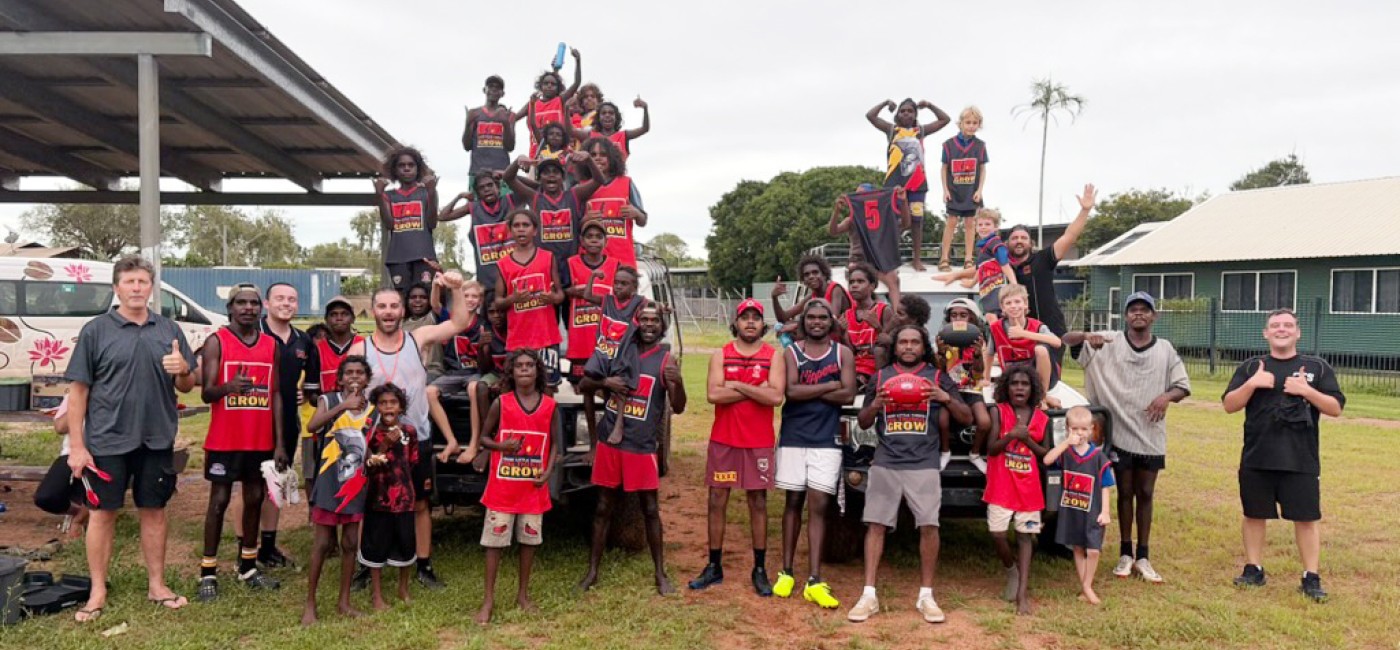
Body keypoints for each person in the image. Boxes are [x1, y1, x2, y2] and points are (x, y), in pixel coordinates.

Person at [65, 256, 197, 622]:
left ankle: (157, 585)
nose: (137, 288)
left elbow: (188, 384)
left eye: (143, 281)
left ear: (151, 288)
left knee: (154, 511)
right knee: (102, 514)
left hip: (156, 439)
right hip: (107, 440)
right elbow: (78, 393)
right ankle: (97, 590)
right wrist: (77, 446)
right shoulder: (96, 331)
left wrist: (183, 369)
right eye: (129, 282)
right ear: (116, 288)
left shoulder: (168, 329)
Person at [347, 273, 475, 591]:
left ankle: (424, 565)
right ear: (372, 311)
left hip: (415, 437)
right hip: (376, 441)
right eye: (382, 306)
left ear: (403, 310)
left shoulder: (418, 339)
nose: (388, 311)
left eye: (394, 306)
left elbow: (459, 323)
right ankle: (365, 565)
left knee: (420, 503)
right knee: (369, 503)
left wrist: (457, 289)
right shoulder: (360, 348)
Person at [1063, 291, 1190, 583]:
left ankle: (1143, 555)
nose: (1138, 314)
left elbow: (1182, 386)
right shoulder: (1108, 341)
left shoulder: (1165, 349)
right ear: (1126, 315)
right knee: (1124, 492)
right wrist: (1086, 336)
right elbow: (1066, 339)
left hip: (1149, 431)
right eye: (1133, 309)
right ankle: (1125, 552)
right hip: (1117, 431)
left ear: (1153, 316)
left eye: (1145, 310)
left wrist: (1165, 396)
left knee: (1146, 493)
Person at [847, 325, 969, 624]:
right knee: (875, 525)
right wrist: (875, 404)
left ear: (922, 345)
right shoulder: (881, 376)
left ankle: (926, 595)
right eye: (903, 342)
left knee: (929, 526)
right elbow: (862, 423)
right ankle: (868, 594)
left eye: (915, 342)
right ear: (896, 346)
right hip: (886, 461)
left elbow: (965, 417)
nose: (909, 347)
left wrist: (944, 397)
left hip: (924, 463)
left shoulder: (937, 377)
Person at [1222, 309, 1345, 602]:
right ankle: (1254, 568)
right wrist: (1252, 384)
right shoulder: (1251, 367)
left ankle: (1310, 576)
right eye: (1275, 325)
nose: (1281, 329)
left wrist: (1306, 391)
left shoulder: (1316, 367)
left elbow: (1335, 408)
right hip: (1257, 455)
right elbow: (1229, 405)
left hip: (1300, 458)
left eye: (1288, 325)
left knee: (1306, 518)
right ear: (1266, 333)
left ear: (1297, 333)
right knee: (1254, 514)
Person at [578, 304, 686, 595]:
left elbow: (678, 406)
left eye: (655, 320)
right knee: (602, 507)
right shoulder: (618, 350)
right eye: (645, 319)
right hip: (611, 443)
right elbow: (584, 384)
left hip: (641, 445)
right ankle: (592, 571)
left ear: (661, 326)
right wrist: (605, 381)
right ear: (637, 323)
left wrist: (677, 383)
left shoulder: (665, 359)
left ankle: (660, 574)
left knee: (650, 509)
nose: (650, 324)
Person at [690, 298, 787, 595]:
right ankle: (714, 566)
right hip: (724, 439)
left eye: (756, 317)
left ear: (762, 324)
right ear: (735, 322)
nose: (750, 322)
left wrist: (737, 386)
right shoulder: (721, 354)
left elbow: (776, 398)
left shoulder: (774, 356)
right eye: (744, 317)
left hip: (758, 442)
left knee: (757, 501)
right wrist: (757, 391)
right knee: (717, 499)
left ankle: (759, 569)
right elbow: (713, 395)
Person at [195, 284, 284, 602]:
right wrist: (229, 386)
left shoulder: (271, 345)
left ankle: (248, 565)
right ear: (230, 307)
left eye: (253, 303)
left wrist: (280, 443)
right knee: (218, 502)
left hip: (259, 440)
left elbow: (274, 394)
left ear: (261, 308)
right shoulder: (216, 341)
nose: (248, 307)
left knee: (256, 498)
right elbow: (206, 393)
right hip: (225, 439)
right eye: (241, 302)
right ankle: (208, 572)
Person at [772, 299, 856, 609]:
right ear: (803, 321)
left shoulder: (842, 352)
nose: (817, 322)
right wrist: (829, 384)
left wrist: (816, 389)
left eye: (823, 318)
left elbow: (848, 394)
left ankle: (814, 579)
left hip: (826, 438)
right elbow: (790, 392)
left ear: (831, 321)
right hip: (794, 436)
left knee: (819, 505)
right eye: (811, 318)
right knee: (793, 501)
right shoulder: (791, 351)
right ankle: (787, 571)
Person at [475, 349, 562, 625]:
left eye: (529, 365)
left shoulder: (550, 405)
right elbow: (484, 439)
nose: (524, 370)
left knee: (529, 541)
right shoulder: (502, 403)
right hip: (502, 490)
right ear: (511, 372)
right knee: (494, 544)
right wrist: (501, 446)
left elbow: (556, 444)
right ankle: (488, 600)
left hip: (532, 489)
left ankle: (522, 595)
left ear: (538, 371)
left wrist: (547, 473)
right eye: (519, 366)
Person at [301, 356, 373, 625]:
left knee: (350, 543)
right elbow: (312, 426)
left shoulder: (373, 410)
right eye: (349, 373)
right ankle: (310, 603)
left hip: (354, 484)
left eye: (360, 373)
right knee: (322, 543)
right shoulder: (329, 400)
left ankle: (344, 601)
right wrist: (344, 405)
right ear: (340, 379)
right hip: (328, 482)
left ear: (367, 379)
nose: (354, 377)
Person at [255, 282, 318, 569]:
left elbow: (314, 387)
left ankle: (267, 547)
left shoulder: (304, 342)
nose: (286, 303)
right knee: (248, 484)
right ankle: (245, 548)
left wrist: (306, 393)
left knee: (274, 481)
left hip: (287, 423)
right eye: (279, 298)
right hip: (252, 418)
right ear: (266, 304)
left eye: (291, 299)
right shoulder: (252, 333)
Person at [1007, 184, 1097, 371]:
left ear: (1030, 243)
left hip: (1050, 329)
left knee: (1049, 379)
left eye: (1023, 238)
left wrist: (1085, 210)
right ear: (1007, 243)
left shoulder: (1043, 259)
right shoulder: (1003, 268)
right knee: (1020, 379)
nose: (1019, 241)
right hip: (1018, 330)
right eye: (1014, 238)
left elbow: (1069, 236)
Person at [984, 366, 1051, 616]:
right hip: (1001, 486)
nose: (1019, 387)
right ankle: (1011, 569)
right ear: (1006, 388)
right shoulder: (998, 412)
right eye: (1014, 384)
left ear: (1032, 388)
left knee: (1026, 536)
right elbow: (990, 449)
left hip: (1029, 490)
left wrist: (1027, 440)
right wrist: (1011, 435)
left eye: (1025, 384)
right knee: (998, 534)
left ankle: (1022, 593)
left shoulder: (1042, 418)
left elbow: (1045, 455)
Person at [1041, 406, 1115, 605]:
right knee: (1077, 548)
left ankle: (1087, 585)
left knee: (1093, 550)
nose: (1079, 434)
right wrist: (1066, 443)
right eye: (1074, 429)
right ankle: (1085, 588)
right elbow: (1047, 460)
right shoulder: (1066, 454)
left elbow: (1106, 486)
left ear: (1091, 429)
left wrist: (1106, 511)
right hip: (1072, 509)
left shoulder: (1099, 457)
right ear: (1067, 429)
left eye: (1083, 429)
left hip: (1093, 510)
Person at [867, 98, 951, 271]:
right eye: (903, 111)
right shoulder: (891, 130)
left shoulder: (920, 131)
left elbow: (945, 120)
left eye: (910, 111)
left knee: (916, 221)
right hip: (894, 183)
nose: (906, 114)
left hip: (917, 183)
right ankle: (891, 257)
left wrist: (929, 105)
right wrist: (884, 103)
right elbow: (870, 116)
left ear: (915, 115)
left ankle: (917, 259)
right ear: (898, 114)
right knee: (894, 221)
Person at [491, 207, 566, 388]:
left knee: (548, 388)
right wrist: (513, 299)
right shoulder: (503, 264)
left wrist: (552, 298)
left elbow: (560, 295)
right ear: (511, 230)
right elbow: (498, 302)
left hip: (546, 337)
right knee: (513, 390)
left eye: (526, 225)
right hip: (518, 339)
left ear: (535, 230)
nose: (521, 229)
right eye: (516, 225)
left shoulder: (547, 257)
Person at [360, 383, 419, 611]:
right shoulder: (371, 435)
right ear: (376, 408)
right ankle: (377, 595)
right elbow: (368, 467)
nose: (388, 407)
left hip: (404, 500)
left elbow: (412, 463)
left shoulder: (410, 432)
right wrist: (384, 445)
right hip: (378, 501)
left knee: (405, 545)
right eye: (383, 403)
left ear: (401, 407)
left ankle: (403, 588)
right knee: (376, 547)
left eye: (392, 403)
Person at [502, 151, 604, 280]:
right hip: (543, 265)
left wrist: (589, 159)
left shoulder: (574, 195)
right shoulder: (534, 197)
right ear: (539, 178)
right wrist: (518, 161)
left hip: (570, 265)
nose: (551, 175)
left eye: (555, 172)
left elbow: (599, 180)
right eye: (546, 172)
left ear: (563, 177)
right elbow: (507, 178)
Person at [428, 280, 488, 465]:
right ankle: (451, 441)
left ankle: (474, 442)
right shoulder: (451, 319)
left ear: (480, 301)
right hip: (453, 372)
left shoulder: (483, 323)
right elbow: (435, 304)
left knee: (473, 388)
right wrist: (436, 285)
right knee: (429, 391)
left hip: (474, 372)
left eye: (474, 296)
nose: (469, 300)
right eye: (466, 295)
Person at [441, 173, 518, 309]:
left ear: (498, 188)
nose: (487, 189)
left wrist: (506, 175)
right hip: (487, 283)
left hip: (513, 278)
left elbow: (532, 190)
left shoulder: (510, 201)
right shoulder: (473, 208)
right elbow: (442, 216)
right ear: (477, 193)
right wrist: (459, 196)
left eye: (490, 185)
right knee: (490, 324)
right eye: (482, 188)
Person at [933, 298, 990, 471]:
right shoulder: (943, 340)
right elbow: (939, 371)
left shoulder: (977, 342)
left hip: (971, 388)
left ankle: (975, 453)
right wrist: (941, 354)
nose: (958, 319)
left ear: (971, 318)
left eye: (963, 315)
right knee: (942, 420)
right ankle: (945, 451)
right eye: (954, 315)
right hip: (949, 389)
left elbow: (979, 373)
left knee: (985, 422)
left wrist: (979, 355)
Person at [828, 185, 908, 308]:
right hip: (858, 260)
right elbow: (833, 231)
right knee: (859, 280)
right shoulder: (852, 220)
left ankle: (897, 315)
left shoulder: (884, 219)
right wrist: (837, 211)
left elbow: (906, 223)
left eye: (863, 195)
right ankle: (854, 312)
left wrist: (902, 201)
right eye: (857, 195)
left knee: (893, 279)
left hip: (878, 260)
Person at [373, 146, 440, 292]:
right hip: (398, 258)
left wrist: (432, 193)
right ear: (394, 170)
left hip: (424, 257)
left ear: (418, 168)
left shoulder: (426, 192)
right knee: (403, 299)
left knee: (424, 297)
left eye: (411, 165)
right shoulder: (389, 196)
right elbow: (390, 224)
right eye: (401, 165)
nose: (406, 168)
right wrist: (379, 195)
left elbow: (432, 223)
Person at [563, 220, 620, 386]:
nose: (594, 240)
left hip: (607, 343)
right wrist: (571, 292)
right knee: (581, 390)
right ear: (582, 241)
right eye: (589, 236)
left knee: (607, 390)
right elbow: (560, 293)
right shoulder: (571, 263)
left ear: (606, 241)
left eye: (599, 236)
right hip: (580, 342)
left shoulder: (615, 265)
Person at [931, 208, 1016, 318]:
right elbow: (981, 269)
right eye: (980, 225)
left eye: (987, 224)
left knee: (993, 318)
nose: (983, 227)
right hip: (986, 291)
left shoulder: (996, 244)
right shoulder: (984, 248)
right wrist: (972, 283)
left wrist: (1014, 286)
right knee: (990, 318)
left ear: (995, 227)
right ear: (976, 228)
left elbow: (1005, 266)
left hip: (997, 291)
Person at [988, 285, 1062, 409]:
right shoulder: (996, 328)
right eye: (1008, 303)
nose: (1013, 306)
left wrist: (1023, 334)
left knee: (1041, 349)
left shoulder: (1037, 326)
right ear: (1002, 307)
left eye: (1017, 301)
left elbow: (1057, 342)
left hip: (1038, 375)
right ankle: (1044, 398)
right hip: (1014, 376)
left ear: (1025, 304)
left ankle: (1041, 397)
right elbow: (989, 353)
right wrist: (985, 378)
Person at [937, 106, 989, 272]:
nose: (971, 126)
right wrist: (945, 189)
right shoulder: (948, 145)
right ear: (961, 123)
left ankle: (968, 258)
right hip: (954, 190)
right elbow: (944, 168)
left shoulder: (980, 146)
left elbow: (983, 169)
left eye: (975, 123)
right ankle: (944, 258)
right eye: (968, 122)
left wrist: (979, 190)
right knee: (951, 222)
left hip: (971, 190)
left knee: (970, 223)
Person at [581, 138, 648, 267]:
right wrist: (584, 219)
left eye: (603, 154)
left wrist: (636, 213)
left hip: (622, 262)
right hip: (591, 263)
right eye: (593, 155)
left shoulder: (626, 183)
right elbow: (573, 226)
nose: (598, 158)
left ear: (612, 158)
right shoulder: (581, 187)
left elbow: (643, 221)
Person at [32, 395, 85, 538]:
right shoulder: (74, 395)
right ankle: (80, 512)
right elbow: (60, 427)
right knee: (45, 497)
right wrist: (82, 402)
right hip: (72, 453)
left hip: (106, 455)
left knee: (95, 491)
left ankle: (80, 520)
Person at [770, 255, 852, 341]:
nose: (811, 276)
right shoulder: (812, 297)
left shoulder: (835, 289)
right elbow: (783, 318)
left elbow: (831, 320)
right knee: (786, 325)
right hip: (829, 336)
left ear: (824, 274)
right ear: (803, 280)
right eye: (807, 274)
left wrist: (794, 326)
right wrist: (774, 298)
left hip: (847, 336)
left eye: (815, 272)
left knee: (798, 330)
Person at [840, 262, 893, 389]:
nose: (854, 285)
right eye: (851, 282)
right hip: (853, 368)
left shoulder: (884, 310)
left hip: (875, 368)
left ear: (872, 286)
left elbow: (890, 345)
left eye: (860, 281)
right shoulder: (847, 315)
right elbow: (851, 351)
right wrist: (843, 333)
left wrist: (877, 327)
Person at [526, 49, 581, 158]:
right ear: (540, 86)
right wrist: (532, 104)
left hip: (559, 154)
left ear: (558, 88)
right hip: (537, 154)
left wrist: (578, 61)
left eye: (553, 84)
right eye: (546, 83)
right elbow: (532, 124)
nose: (549, 86)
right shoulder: (533, 103)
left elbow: (576, 83)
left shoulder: (559, 101)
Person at [462, 75, 517, 186]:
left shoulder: (509, 115)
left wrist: (505, 124)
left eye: (498, 88)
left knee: (505, 203)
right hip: (477, 171)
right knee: (476, 204)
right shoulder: (475, 113)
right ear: (484, 90)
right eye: (490, 86)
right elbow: (467, 146)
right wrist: (468, 124)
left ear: (502, 93)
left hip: (502, 171)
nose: (494, 90)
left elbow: (510, 147)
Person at [581, 98, 650, 160]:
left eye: (611, 113)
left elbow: (644, 128)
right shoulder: (591, 135)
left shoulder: (624, 135)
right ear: (598, 118)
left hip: (618, 174)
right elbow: (572, 131)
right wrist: (569, 106)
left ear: (616, 117)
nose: (607, 115)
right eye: (603, 113)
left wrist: (645, 108)